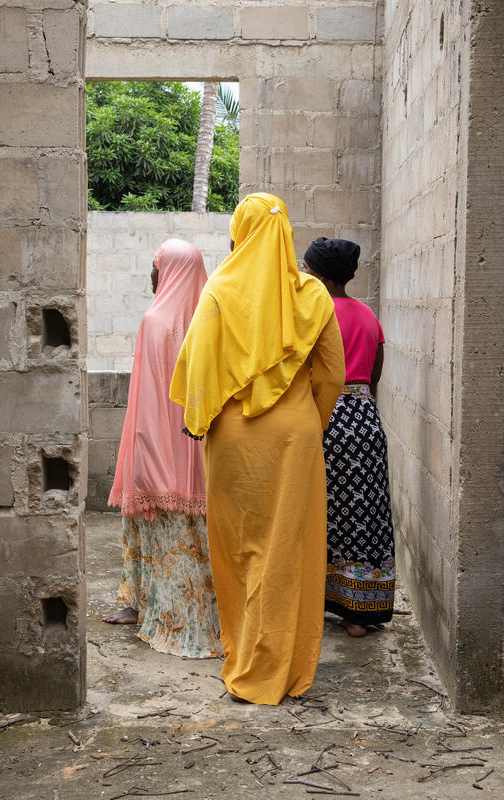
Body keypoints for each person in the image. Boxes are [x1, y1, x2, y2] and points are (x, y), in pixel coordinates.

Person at [170, 193, 345, 705]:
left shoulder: (220, 289)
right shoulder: (312, 295)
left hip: (233, 438)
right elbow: (332, 373)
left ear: (239, 231)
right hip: (295, 437)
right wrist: (308, 420)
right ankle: (287, 672)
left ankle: (245, 660)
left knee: (240, 550)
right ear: (287, 235)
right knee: (290, 550)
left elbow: (197, 365)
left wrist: (200, 420)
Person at [105, 239, 221, 659]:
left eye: (155, 266)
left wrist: (145, 461)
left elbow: (151, 398)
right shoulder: (210, 318)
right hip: (202, 447)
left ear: (167, 270)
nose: (151, 275)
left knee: (156, 528)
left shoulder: (155, 320)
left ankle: (164, 613)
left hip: (160, 444)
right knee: (201, 538)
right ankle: (198, 612)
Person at [302, 238, 396, 638]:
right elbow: (374, 376)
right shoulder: (368, 316)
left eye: (306, 270)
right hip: (365, 420)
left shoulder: (313, 312)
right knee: (365, 513)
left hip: (325, 417)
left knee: (321, 510)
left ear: (321, 276)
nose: (303, 275)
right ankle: (360, 613)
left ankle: (317, 600)